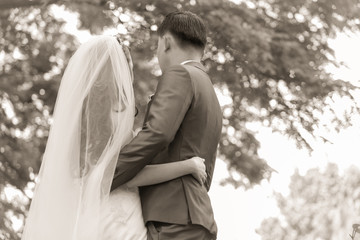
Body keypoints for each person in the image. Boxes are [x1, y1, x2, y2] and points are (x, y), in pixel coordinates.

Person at [21, 35, 207, 240]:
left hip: (95, 215)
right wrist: (188, 166)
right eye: (127, 64)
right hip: (119, 213)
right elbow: (126, 174)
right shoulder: (117, 113)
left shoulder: (82, 116)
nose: (130, 71)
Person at [111, 11, 222, 240]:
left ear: (167, 42)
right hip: (196, 217)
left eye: (157, 46)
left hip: (172, 218)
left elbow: (158, 133)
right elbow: (206, 175)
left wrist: (108, 175)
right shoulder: (210, 92)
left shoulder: (180, 73)